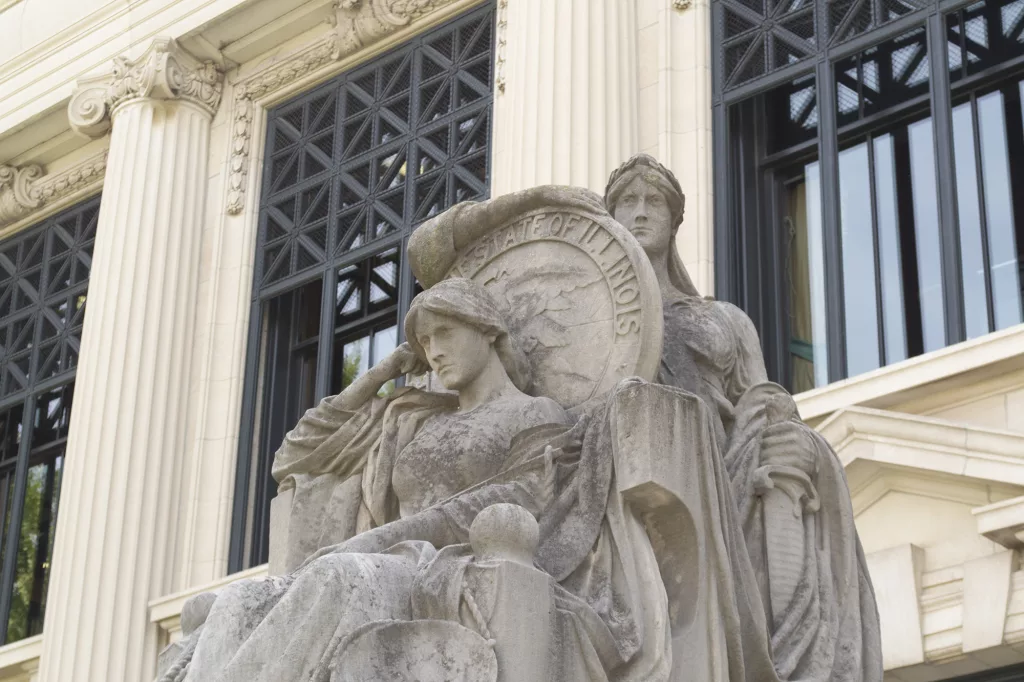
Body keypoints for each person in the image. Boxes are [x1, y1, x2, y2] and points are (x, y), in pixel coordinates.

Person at [604, 154, 882, 681]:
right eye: (626, 203)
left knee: (791, 455)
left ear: (675, 219)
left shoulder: (724, 320)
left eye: (653, 201)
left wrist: (792, 445)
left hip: (733, 477)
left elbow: (767, 403)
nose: (640, 213)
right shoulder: (597, 327)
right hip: (649, 484)